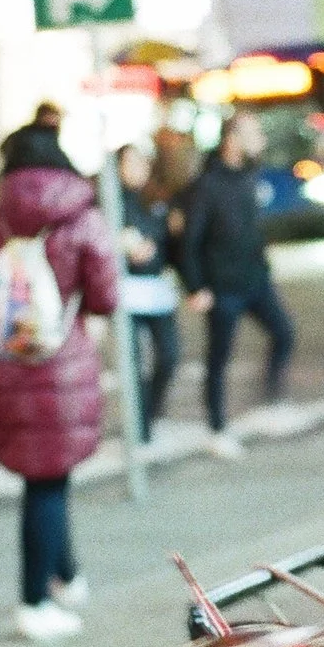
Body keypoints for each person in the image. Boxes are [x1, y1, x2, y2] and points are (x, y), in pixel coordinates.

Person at [0, 153, 120, 642]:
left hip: (1, 368)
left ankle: (65, 574)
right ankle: (34, 602)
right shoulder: (83, 218)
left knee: (45, 477)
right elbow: (106, 297)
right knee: (47, 482)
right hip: (63, 364)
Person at [179, 112, 295, 460]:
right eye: (252, 133)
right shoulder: (206, 186)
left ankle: (272, 401)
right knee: (219, 359)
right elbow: (189, 241)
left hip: (255, 280)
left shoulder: (249, 176)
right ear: (231, 139)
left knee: (284, 333)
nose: (259, 138)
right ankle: (216, 428)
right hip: (223, 287)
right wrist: (195, 286)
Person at [114, 144, 184, 443]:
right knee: (133, 362)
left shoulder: (158, 199)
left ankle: (151, 412)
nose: (137, 168)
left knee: (169, 355)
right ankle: (141, 426)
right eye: (130, 162)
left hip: (157, 289)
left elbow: (171, 244)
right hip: (127, 292)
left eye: (141, 162)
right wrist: (123, 249)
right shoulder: (111, 201)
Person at [0, 101, 77, 174]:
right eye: (52, 115)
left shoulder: (25, 132)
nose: (55, 119)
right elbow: (57, 159)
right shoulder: (39, 136)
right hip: (32, 177)